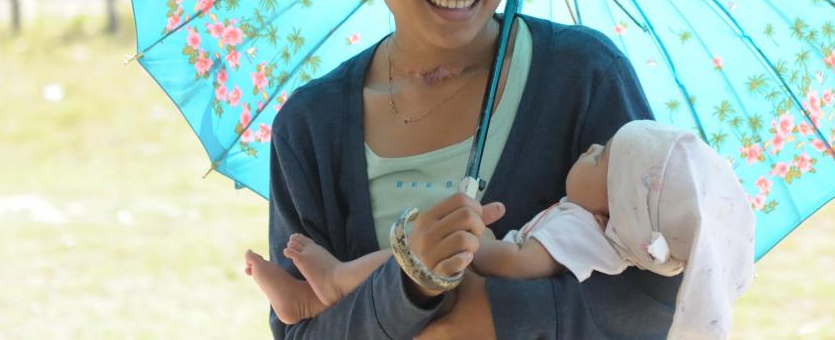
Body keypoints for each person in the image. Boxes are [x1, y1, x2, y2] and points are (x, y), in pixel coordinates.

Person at [245, 0, 682, 338]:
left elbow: (659, 296)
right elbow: (303, 328)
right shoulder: (311, 124)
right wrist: (412, 287)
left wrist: (488, 319)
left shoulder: (583, 77)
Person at [251, 120, 756, 338]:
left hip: (475, 290)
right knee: (423, 244)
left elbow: (521, 263)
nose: (589, 150)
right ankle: (315, 298)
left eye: (600, 157)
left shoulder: (583, 233)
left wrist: (480, 241)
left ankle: (331, 287)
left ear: (612, 206)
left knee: (419, 246)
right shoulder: (589, 221)